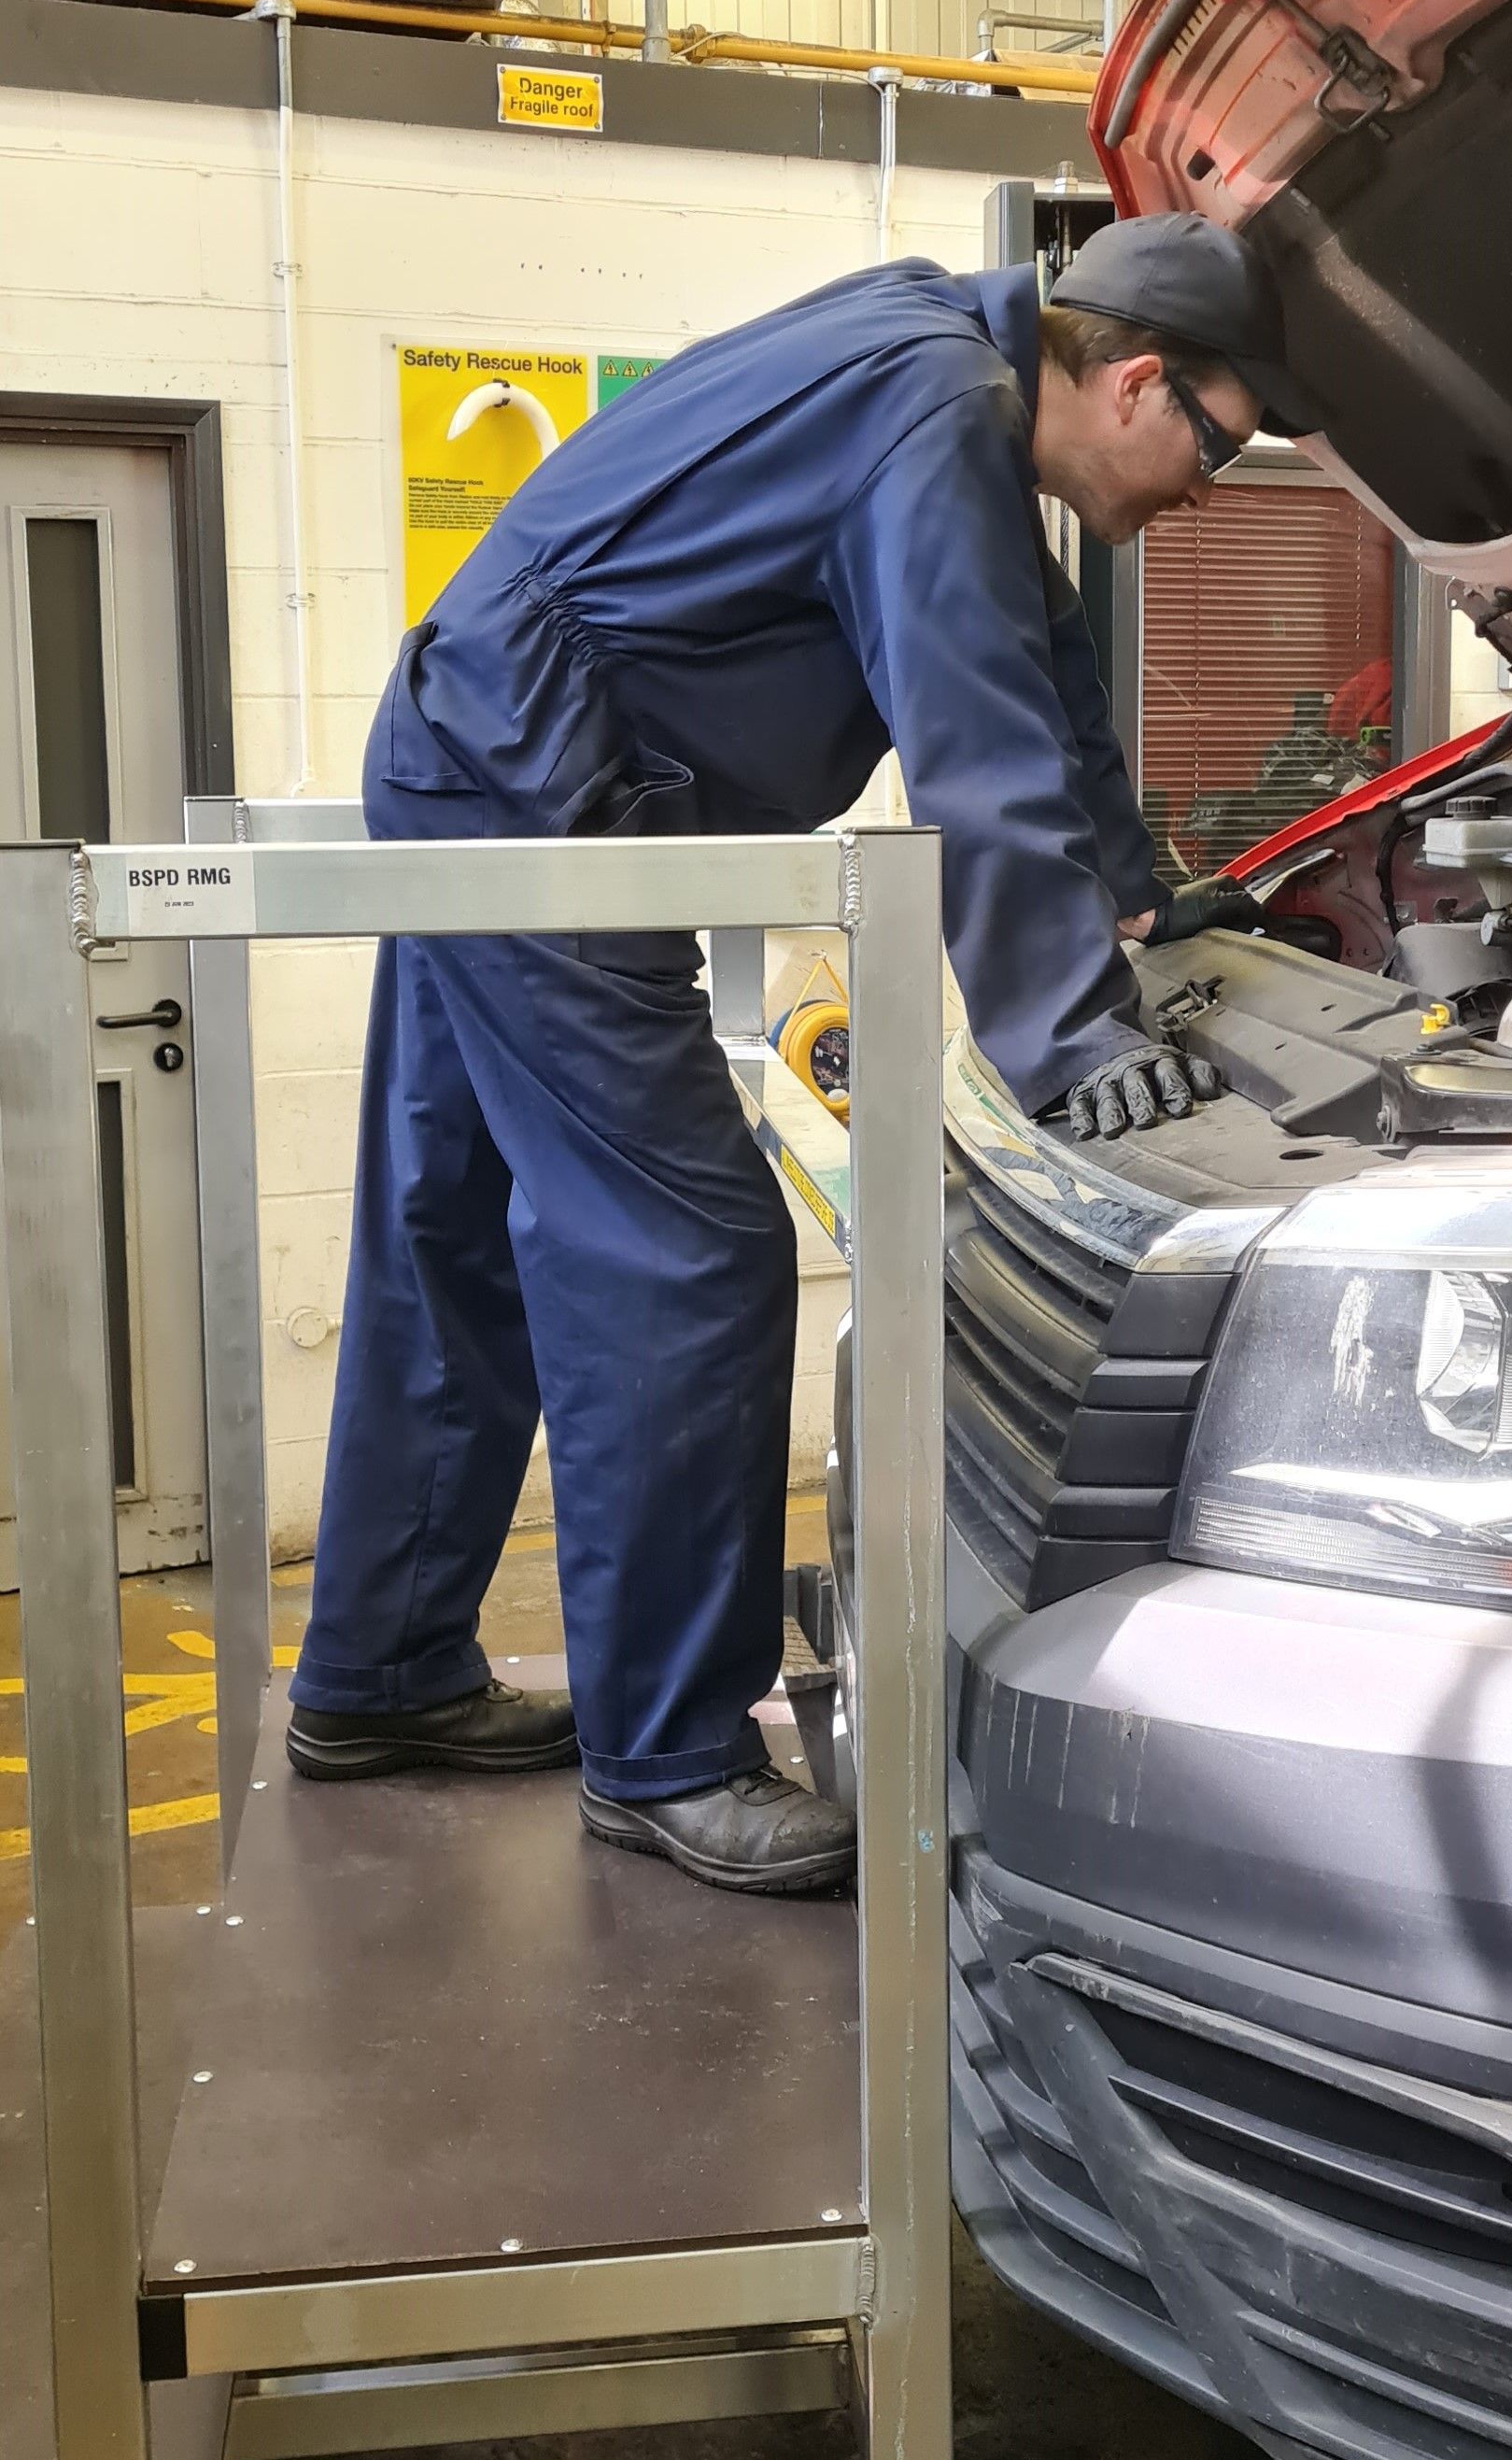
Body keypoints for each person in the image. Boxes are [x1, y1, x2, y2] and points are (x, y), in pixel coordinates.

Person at [287, 214, 1315, 1893]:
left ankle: (380, 1676)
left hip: (476, 759)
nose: (1206, 490)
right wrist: (1068, 1037)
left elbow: (1039, 672)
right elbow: (971, 741)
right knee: (690, 1248)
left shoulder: (944, 366)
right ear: (1136, 381)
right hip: (542, 798)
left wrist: (1141, 900)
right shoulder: (932, 418)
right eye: (1218, 442)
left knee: (455, 1227)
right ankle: (672, 1758)